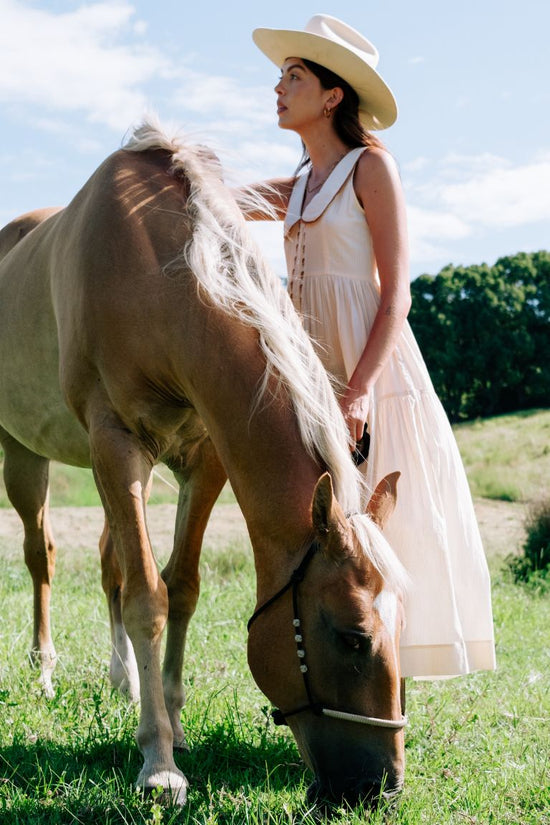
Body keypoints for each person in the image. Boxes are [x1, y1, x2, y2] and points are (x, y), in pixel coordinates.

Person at [240, 14, 497, 681]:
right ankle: (329, 670)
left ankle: (385, 683)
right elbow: (221, 196)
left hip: (370, 373)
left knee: (388, 529)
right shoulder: (295, 187)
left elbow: (396, 297)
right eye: (280, 75)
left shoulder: (371, 167)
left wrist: (357, 392)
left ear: (332, 96)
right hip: (309, 374)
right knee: (324, 529)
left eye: (293, 76)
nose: (278, 87)